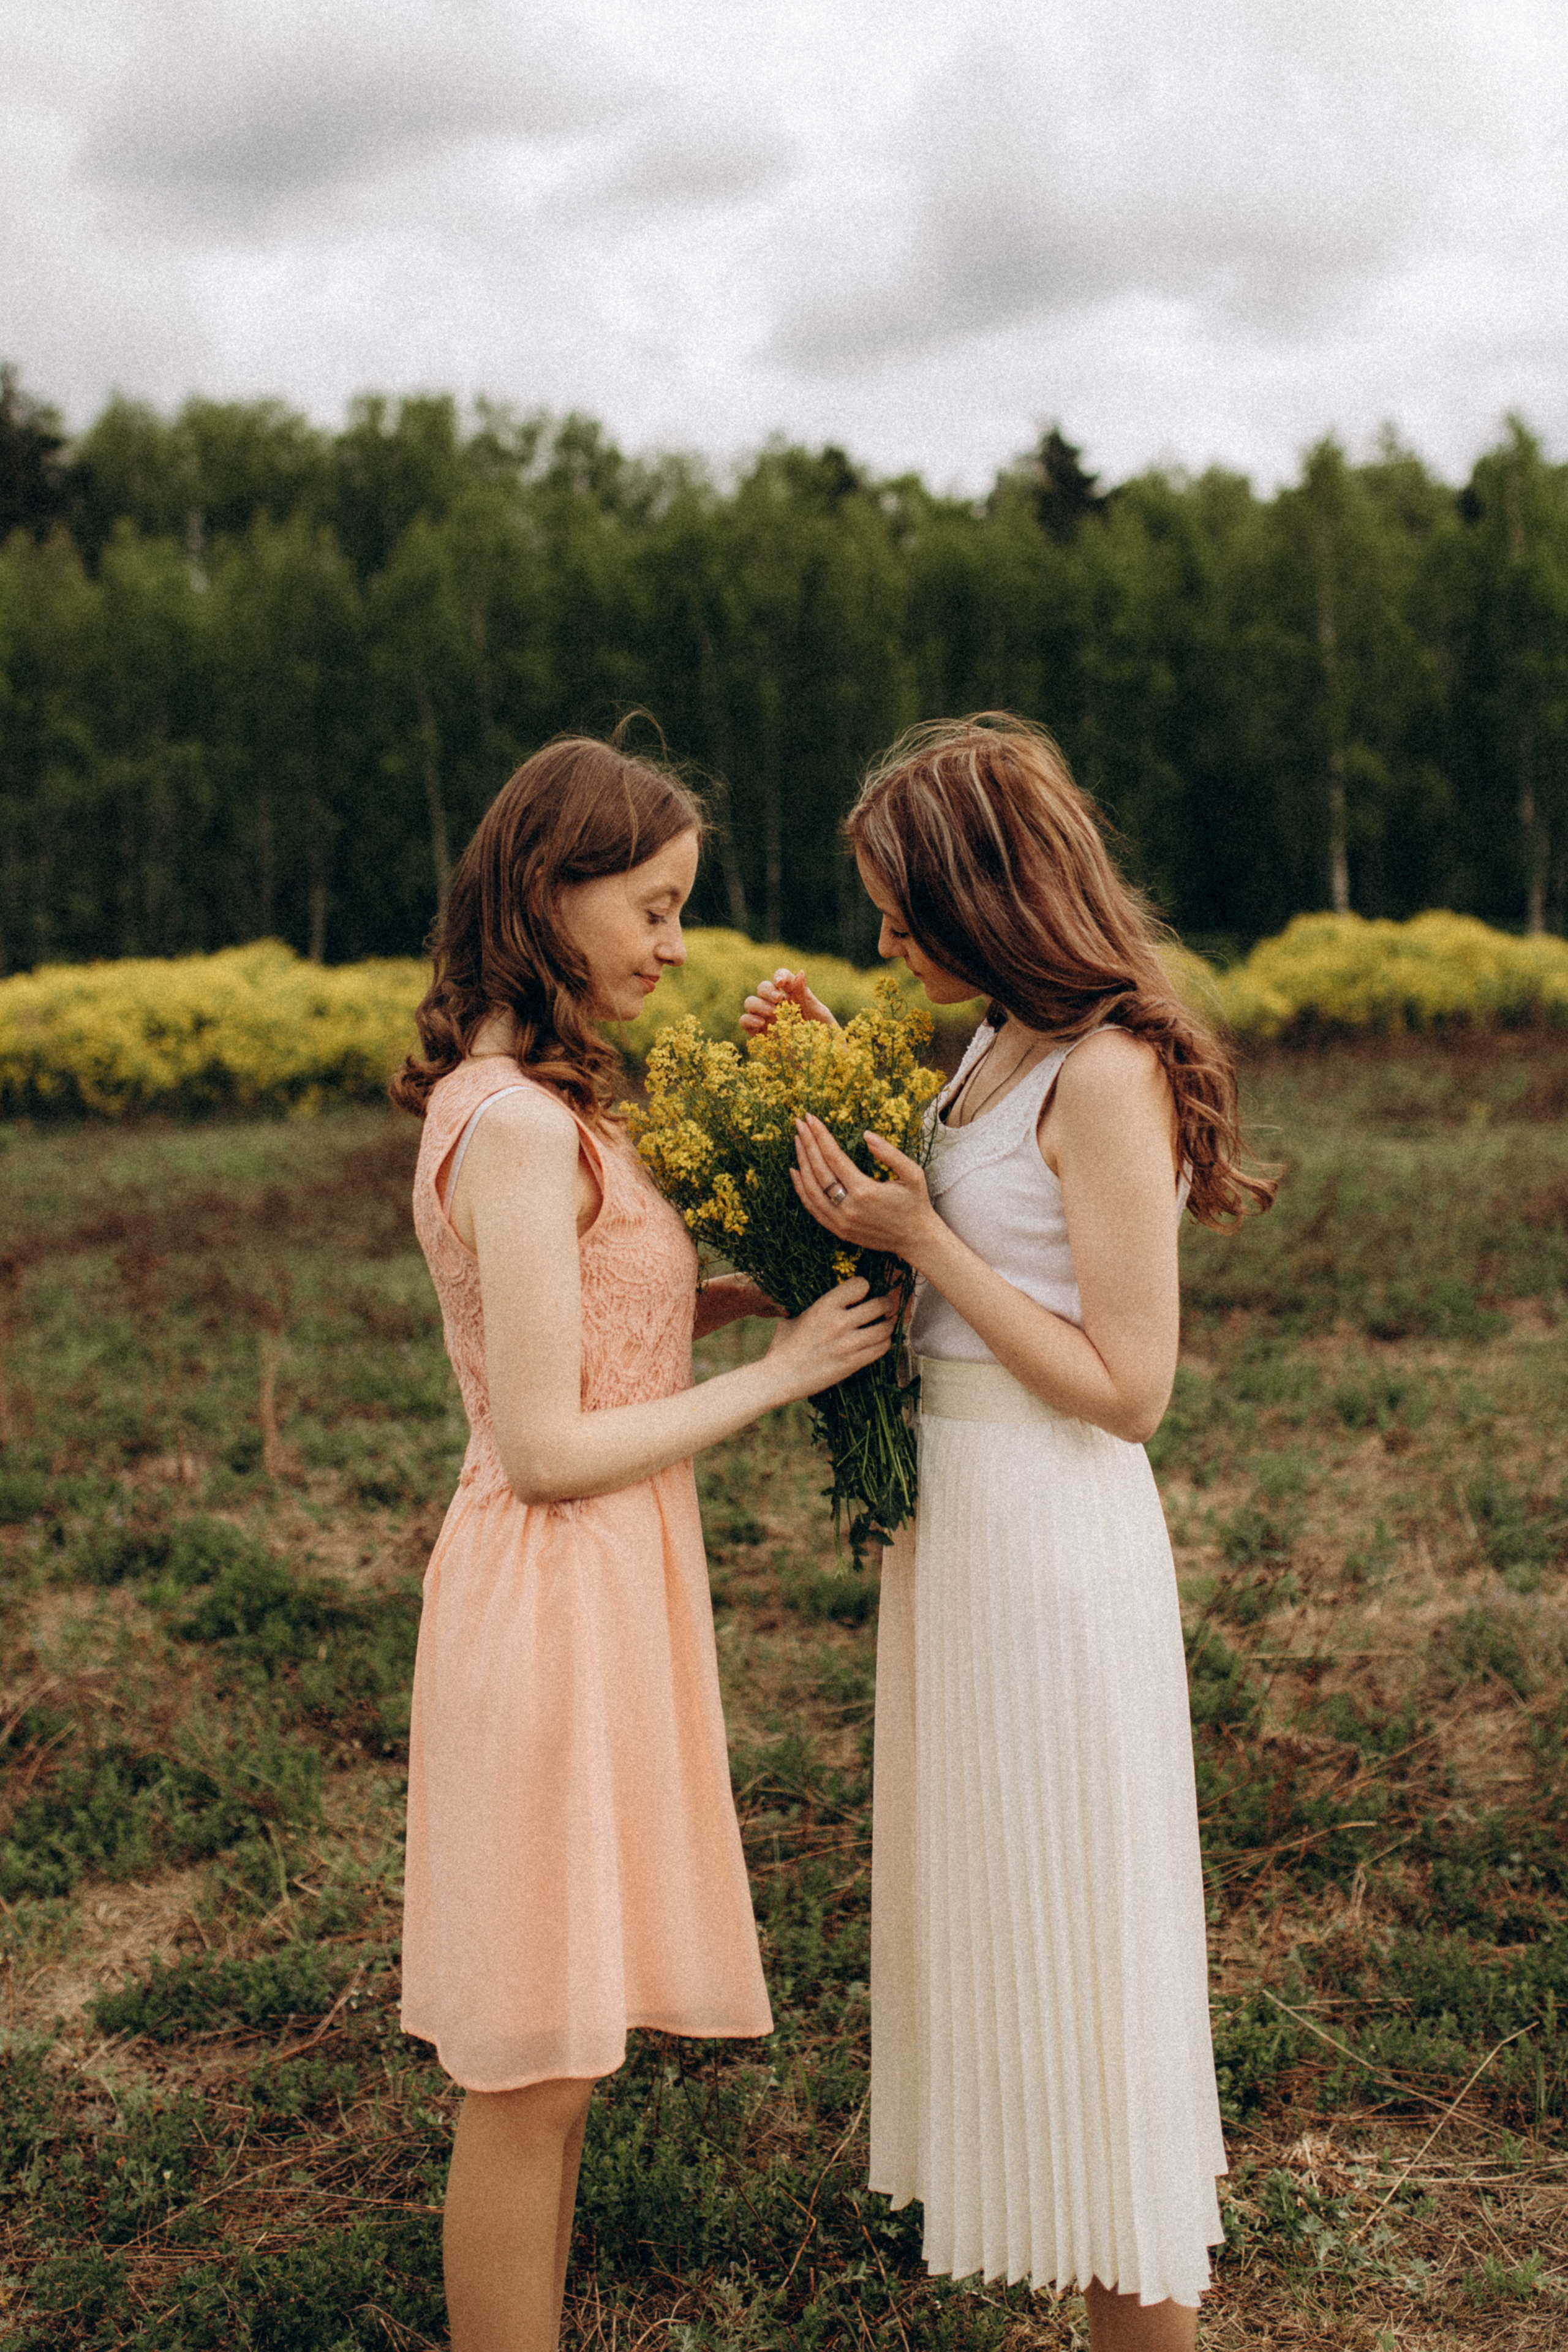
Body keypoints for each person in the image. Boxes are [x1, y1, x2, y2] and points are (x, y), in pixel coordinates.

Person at [741, 714, 1273, 2352]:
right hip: (958, 1549)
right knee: (1023, 1977)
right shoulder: (985, 1052)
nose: (889, 940)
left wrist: (924, 1244)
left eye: (906, 913)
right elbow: (963, 1200)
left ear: (988, 899)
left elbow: (1129, 1387)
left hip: (1051, 1545)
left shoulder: (1109, 1070)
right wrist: (826, 1067)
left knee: (1094, 1983)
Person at [391, 732, 897, 2352]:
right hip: (549, 1597)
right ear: (553, 889)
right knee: (529, 2070)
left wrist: (771, 1273)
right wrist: (783, 1375)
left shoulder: (541, 1107)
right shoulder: (521, 1128)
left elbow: (611, 1318)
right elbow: (542, 1445)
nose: (677, 947)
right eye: (655, 905)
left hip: (602, 1594)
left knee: (566, 2059)